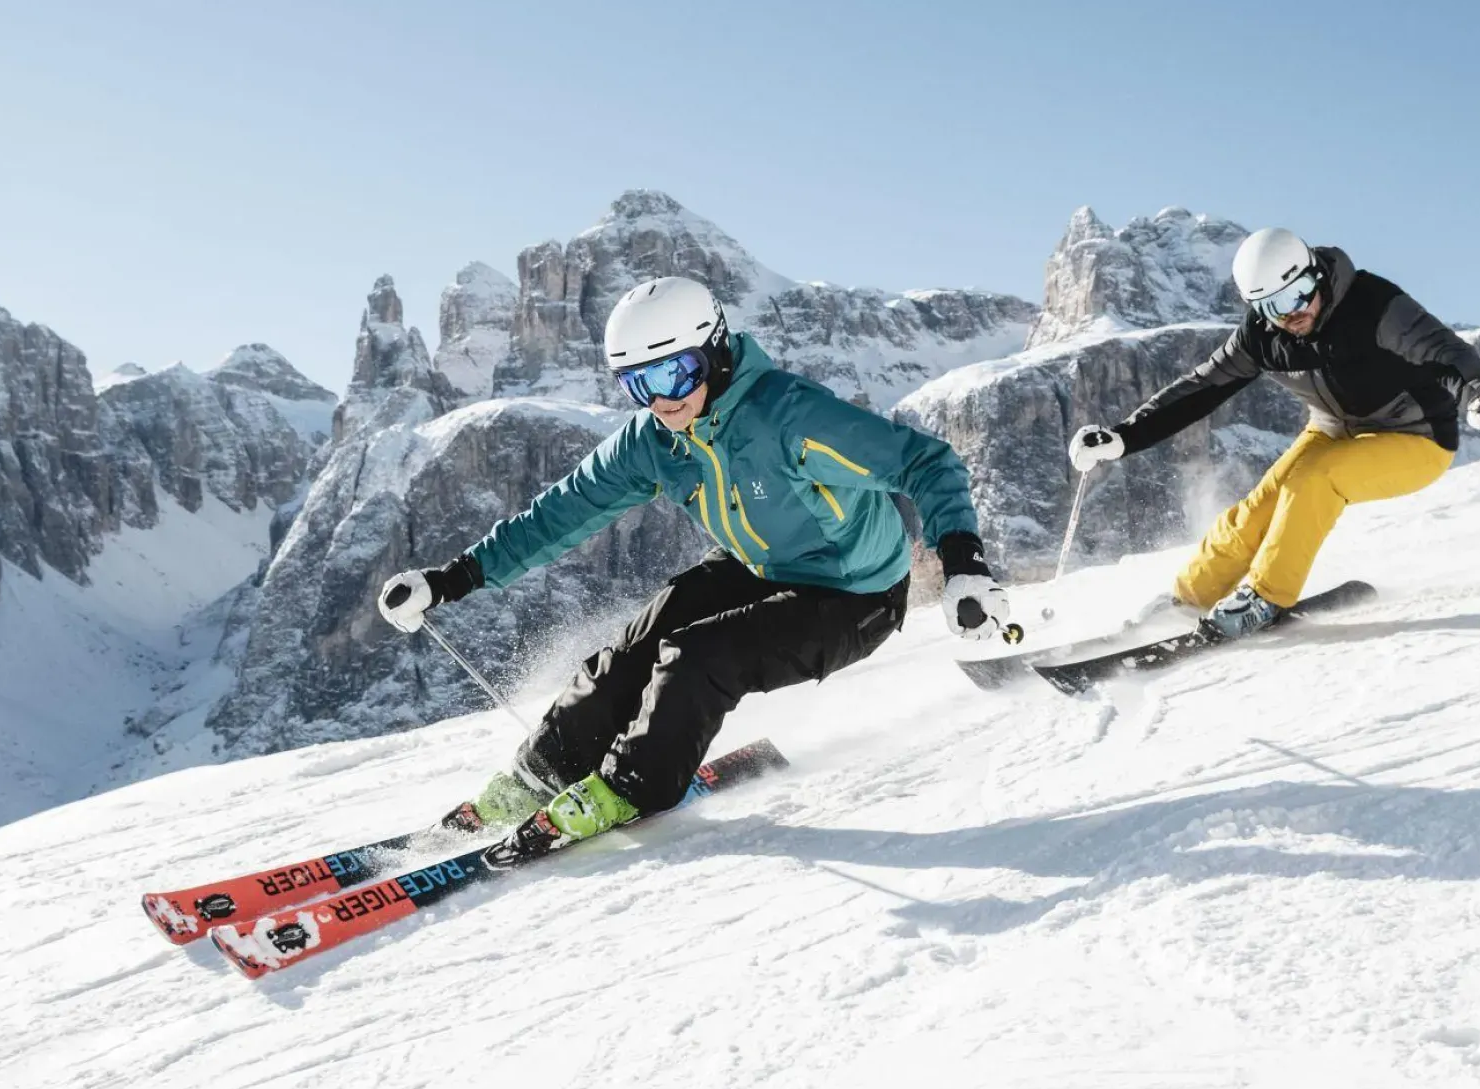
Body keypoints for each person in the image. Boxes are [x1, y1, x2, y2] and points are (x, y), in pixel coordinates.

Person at [376, 275, 1011, 845]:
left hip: (856, 594)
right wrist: (450, 580)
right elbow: (559, 512)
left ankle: (631, 789)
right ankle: (536, 779)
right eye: (638, 385)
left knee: (701, 656)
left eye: (674, 375)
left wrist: (964, 564)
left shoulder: (789, 416)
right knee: (630, 653)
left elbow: (927, 463)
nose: (662, 401)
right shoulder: (654, 441)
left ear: (714, 351)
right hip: (758, 565)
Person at [1067, 228, 1480, 637]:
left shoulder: (1374, 305)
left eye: (1298, 295)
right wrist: (1124, 436)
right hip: (1332, 431)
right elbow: (1201, 387)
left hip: (1416, 437)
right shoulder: (1262, 335)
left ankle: (1266, 598)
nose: (1291, 313)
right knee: (1256, 511)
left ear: (1316, 275)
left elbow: (1443, 350)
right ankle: (1188, 601)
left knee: (1312, 482)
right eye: (1272, 306)